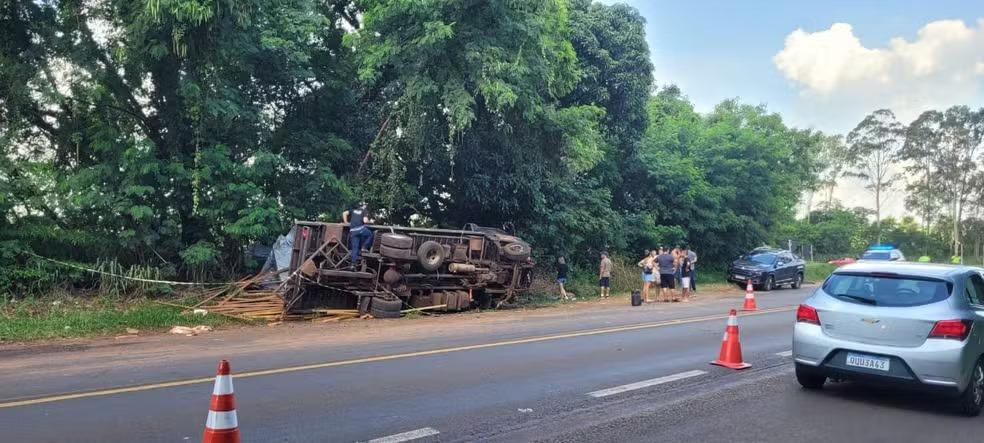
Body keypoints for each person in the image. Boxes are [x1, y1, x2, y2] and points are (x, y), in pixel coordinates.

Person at [342, 204, 373, 270]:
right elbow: (365, 221)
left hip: (353, 231)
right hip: (360, 229)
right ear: (364, 206)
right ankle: (364, 247)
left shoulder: (353, 210)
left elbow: (344, 213)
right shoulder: (364, 210)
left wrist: (346, 222)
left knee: (355, 248)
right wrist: (371, 222)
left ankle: (353, 265)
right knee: (370, 234)